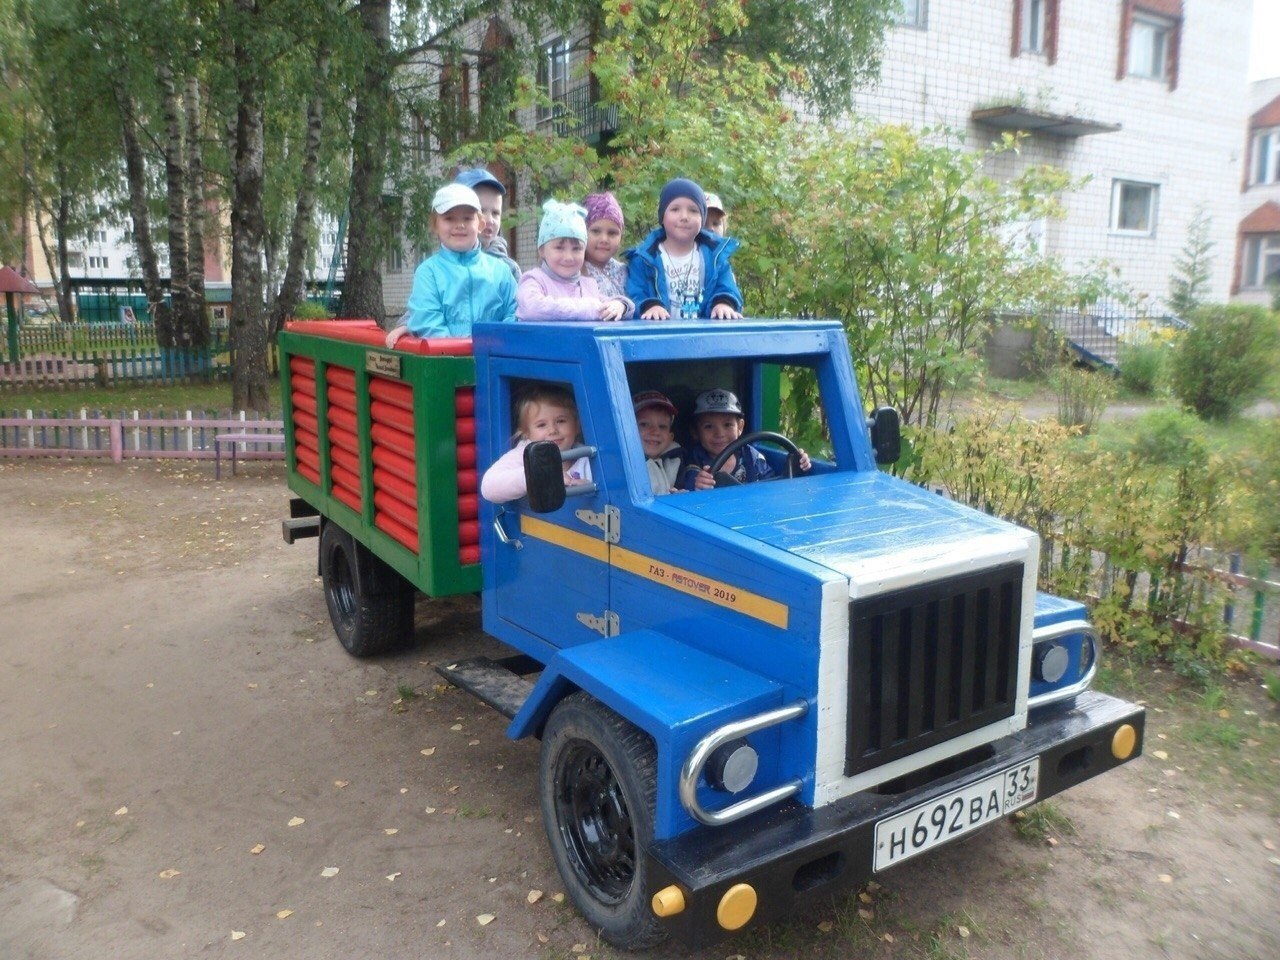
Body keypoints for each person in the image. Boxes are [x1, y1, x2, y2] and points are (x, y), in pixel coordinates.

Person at [385, 183, 516, 347]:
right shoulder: (428, 273)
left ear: (480, 225)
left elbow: (515, 312)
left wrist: (498, 345)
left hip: (494, 361)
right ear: (435, 225)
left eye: (467, 218)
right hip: (446, 363)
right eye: (449, 218)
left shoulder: (500, 271)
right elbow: (427, 320)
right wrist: (460, 351)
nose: (459, 225)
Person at [626, 178, 743, 321]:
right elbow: (635, 292)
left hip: (703, 339)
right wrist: (649, 306)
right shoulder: (644, 259)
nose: (684, 217)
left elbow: (727, 287)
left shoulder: (715, 257)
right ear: (662, 217)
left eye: (693, 210)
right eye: (675, 209)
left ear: (702, 218)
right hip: (658, 338)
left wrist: (723, 303)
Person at [516, 200, 634, 322]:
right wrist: (586, 309)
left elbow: (619, 305)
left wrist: (621, 305)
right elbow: (532, 308)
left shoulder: (587, 285)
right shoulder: (533, 280)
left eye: (576, 249)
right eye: (559, 248)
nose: (568, 257)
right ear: (542, 250)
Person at [680, 388, 810, 491]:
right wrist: (698, 485)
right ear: (696, 432)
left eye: (727, 425)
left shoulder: (752, 457)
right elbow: (685, 488)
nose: (719, 434)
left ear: (740, 427)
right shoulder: (693, 461)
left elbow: (773, 485)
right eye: (708, 426)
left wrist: (799, 464)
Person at [480, 383, 591, 504]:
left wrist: (588, 490)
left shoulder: (589, 454)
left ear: (577, 426)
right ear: (526, 433)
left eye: (561, 421)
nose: (553, 430)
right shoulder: (523, 453)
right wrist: (537, 476)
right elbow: (489, 487)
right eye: (541, 425)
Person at [455, 166, 521, 280]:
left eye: (495, 213)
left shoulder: (508, 269)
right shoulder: (438, 267)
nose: (490, 220)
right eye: (481, 211)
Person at [633, 390, 684, 495]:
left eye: (662, 426)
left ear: (670, 438)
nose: (655, 432)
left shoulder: (677, 460)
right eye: (644, 424)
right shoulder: (622, 465)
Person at [582, 191, 629, 298]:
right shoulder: (571, 273)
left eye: (612, 233)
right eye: (595, 231)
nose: (604, 239)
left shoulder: (627, 273)